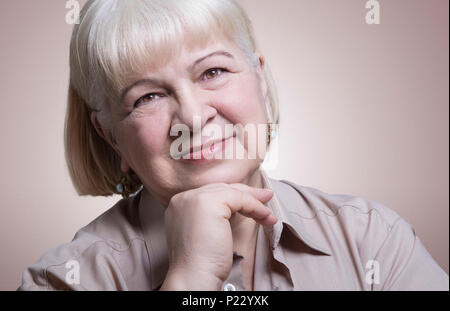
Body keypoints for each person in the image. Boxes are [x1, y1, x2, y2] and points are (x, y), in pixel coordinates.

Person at [18, 0, 448, 291]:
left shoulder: (373, 240)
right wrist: (190, 280)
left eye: (213, 72)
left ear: (259, 76)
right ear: (108, 133)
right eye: (147, 97)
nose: (192, 116)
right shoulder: (64, 282)